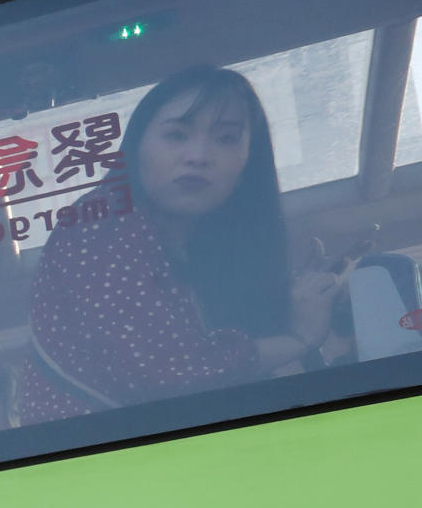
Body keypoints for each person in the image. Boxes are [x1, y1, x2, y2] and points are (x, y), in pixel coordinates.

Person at [19, 67, 340, 423]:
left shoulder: (205, 249)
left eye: (226, 139)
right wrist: (301, 337)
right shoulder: (101, 221)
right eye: (176, 135)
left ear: (251, 160)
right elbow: (165, 373)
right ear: (137, 146)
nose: (199, 155)